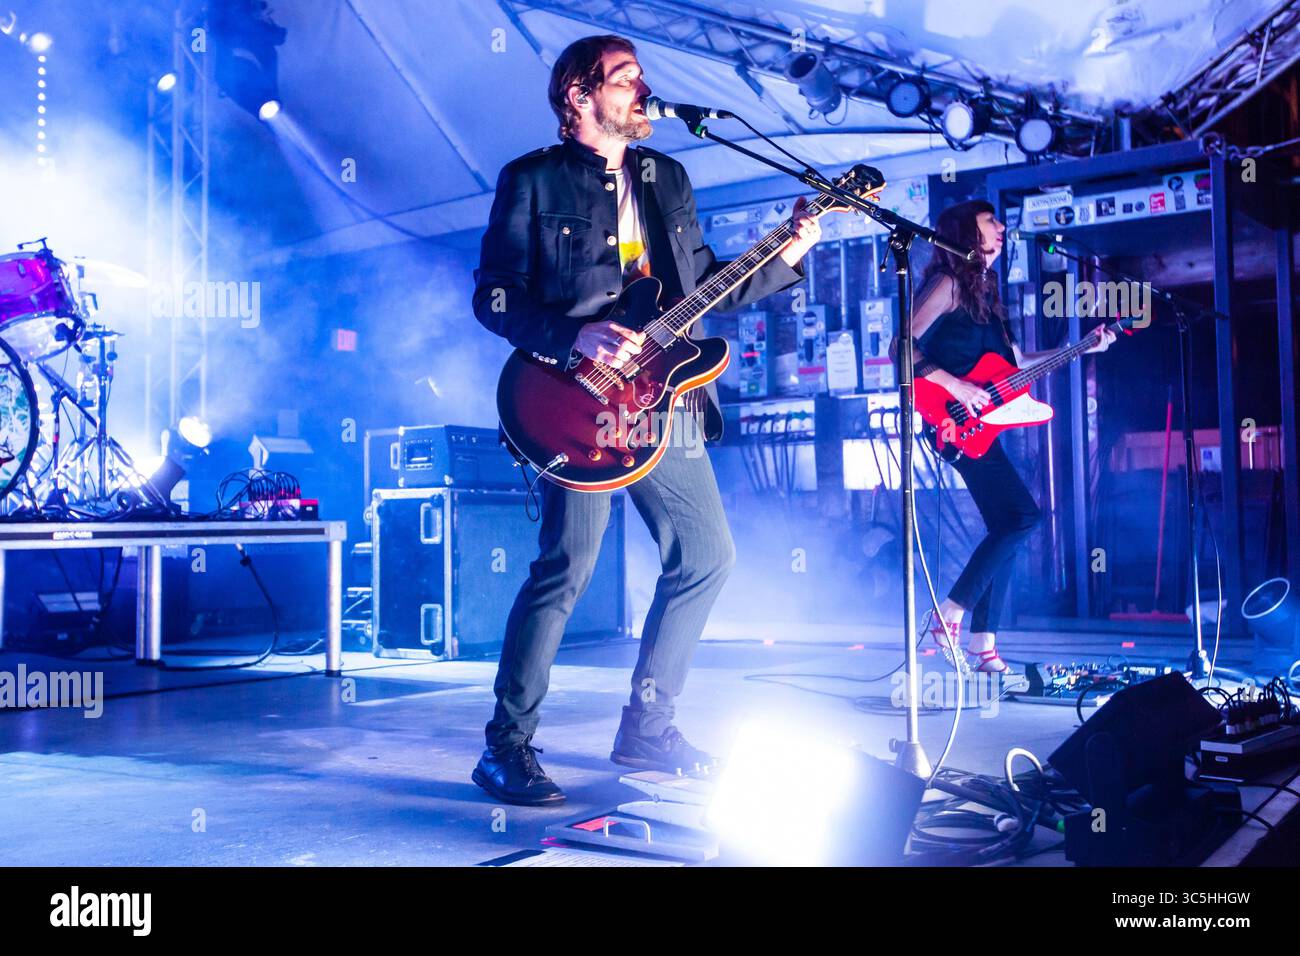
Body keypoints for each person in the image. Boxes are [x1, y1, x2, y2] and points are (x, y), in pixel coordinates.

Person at [470, 34, 822, 805]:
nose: (642, 88)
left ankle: (648, 728)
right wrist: (573, 336)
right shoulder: (531, 179)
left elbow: (705, 289)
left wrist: (788, 254)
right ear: (579, 96)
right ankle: (507, 746)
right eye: (624, 78)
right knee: (568, 569)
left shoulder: (669, 176)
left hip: (669, 403)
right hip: (578, 399)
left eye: (640, 76)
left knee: (707, 556)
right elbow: (494, 296)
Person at [908, 200, 1114, 677]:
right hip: (952, 419)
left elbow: (1017, 363)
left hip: (983, 422)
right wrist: (954, 385)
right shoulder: (948, 283)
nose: (1001, 228)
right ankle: (949, 615)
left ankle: (983, 643)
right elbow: (901, 343)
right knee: (1023, 517)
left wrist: (1083, 346)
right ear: (965, 231)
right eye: (990, 222)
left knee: (1008, 525)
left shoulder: (988, 292)